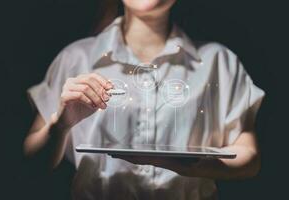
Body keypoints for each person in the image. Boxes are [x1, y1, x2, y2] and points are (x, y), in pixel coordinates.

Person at [24, 0, 265, 199]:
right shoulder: (76, 58)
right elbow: (31, 162)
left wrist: (192, 165)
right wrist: (60, 125)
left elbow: (249, 158)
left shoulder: (218, 61)